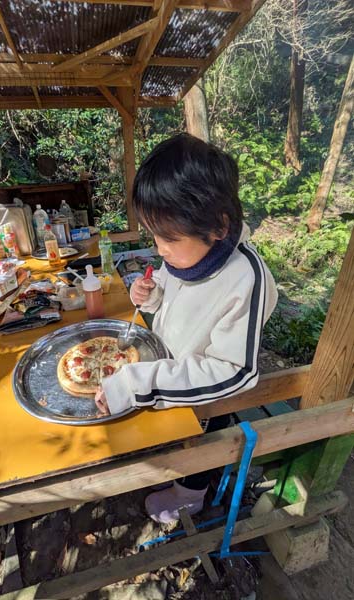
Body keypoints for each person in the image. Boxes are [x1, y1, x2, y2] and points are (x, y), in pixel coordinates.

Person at [95, 133, 278, 523]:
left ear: (218, 226)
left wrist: (139, 384)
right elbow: (171, 296)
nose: (159, 249)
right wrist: (151, 296)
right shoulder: (187, 252)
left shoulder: (247, 279)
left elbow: (235, 372)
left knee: (201, 448)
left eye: (168, 238)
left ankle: (189, 496)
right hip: (169, 378)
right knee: (177, 440)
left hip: (207, 396)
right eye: (154, 235)